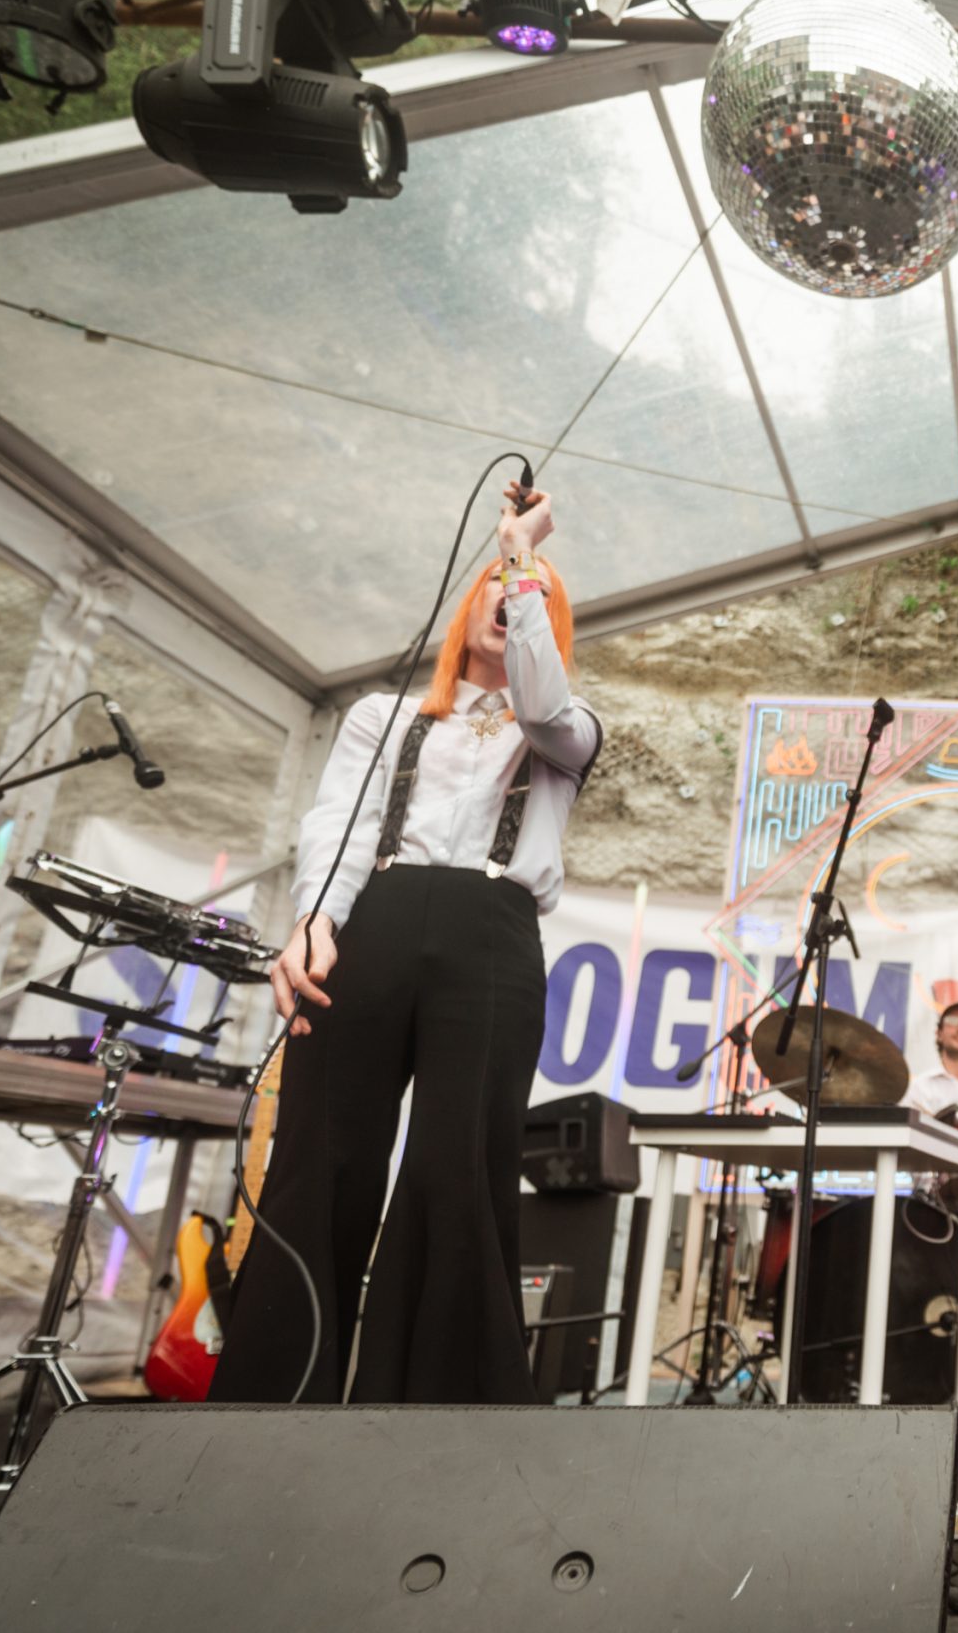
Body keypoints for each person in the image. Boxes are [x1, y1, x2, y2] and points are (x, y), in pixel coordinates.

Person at [214, 483, 602, 1404]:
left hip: (493, 936)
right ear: (467, 606)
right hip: (377, 919)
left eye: (532, 595)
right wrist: (314, 923)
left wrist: (519, 555)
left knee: (457, 1164)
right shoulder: (381, 716)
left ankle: (429, 1413)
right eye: (499, 586)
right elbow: (337, 829)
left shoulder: (567, 729)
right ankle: (271, 1400)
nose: (512, 599)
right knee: (322, 1154)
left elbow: (543, 701)